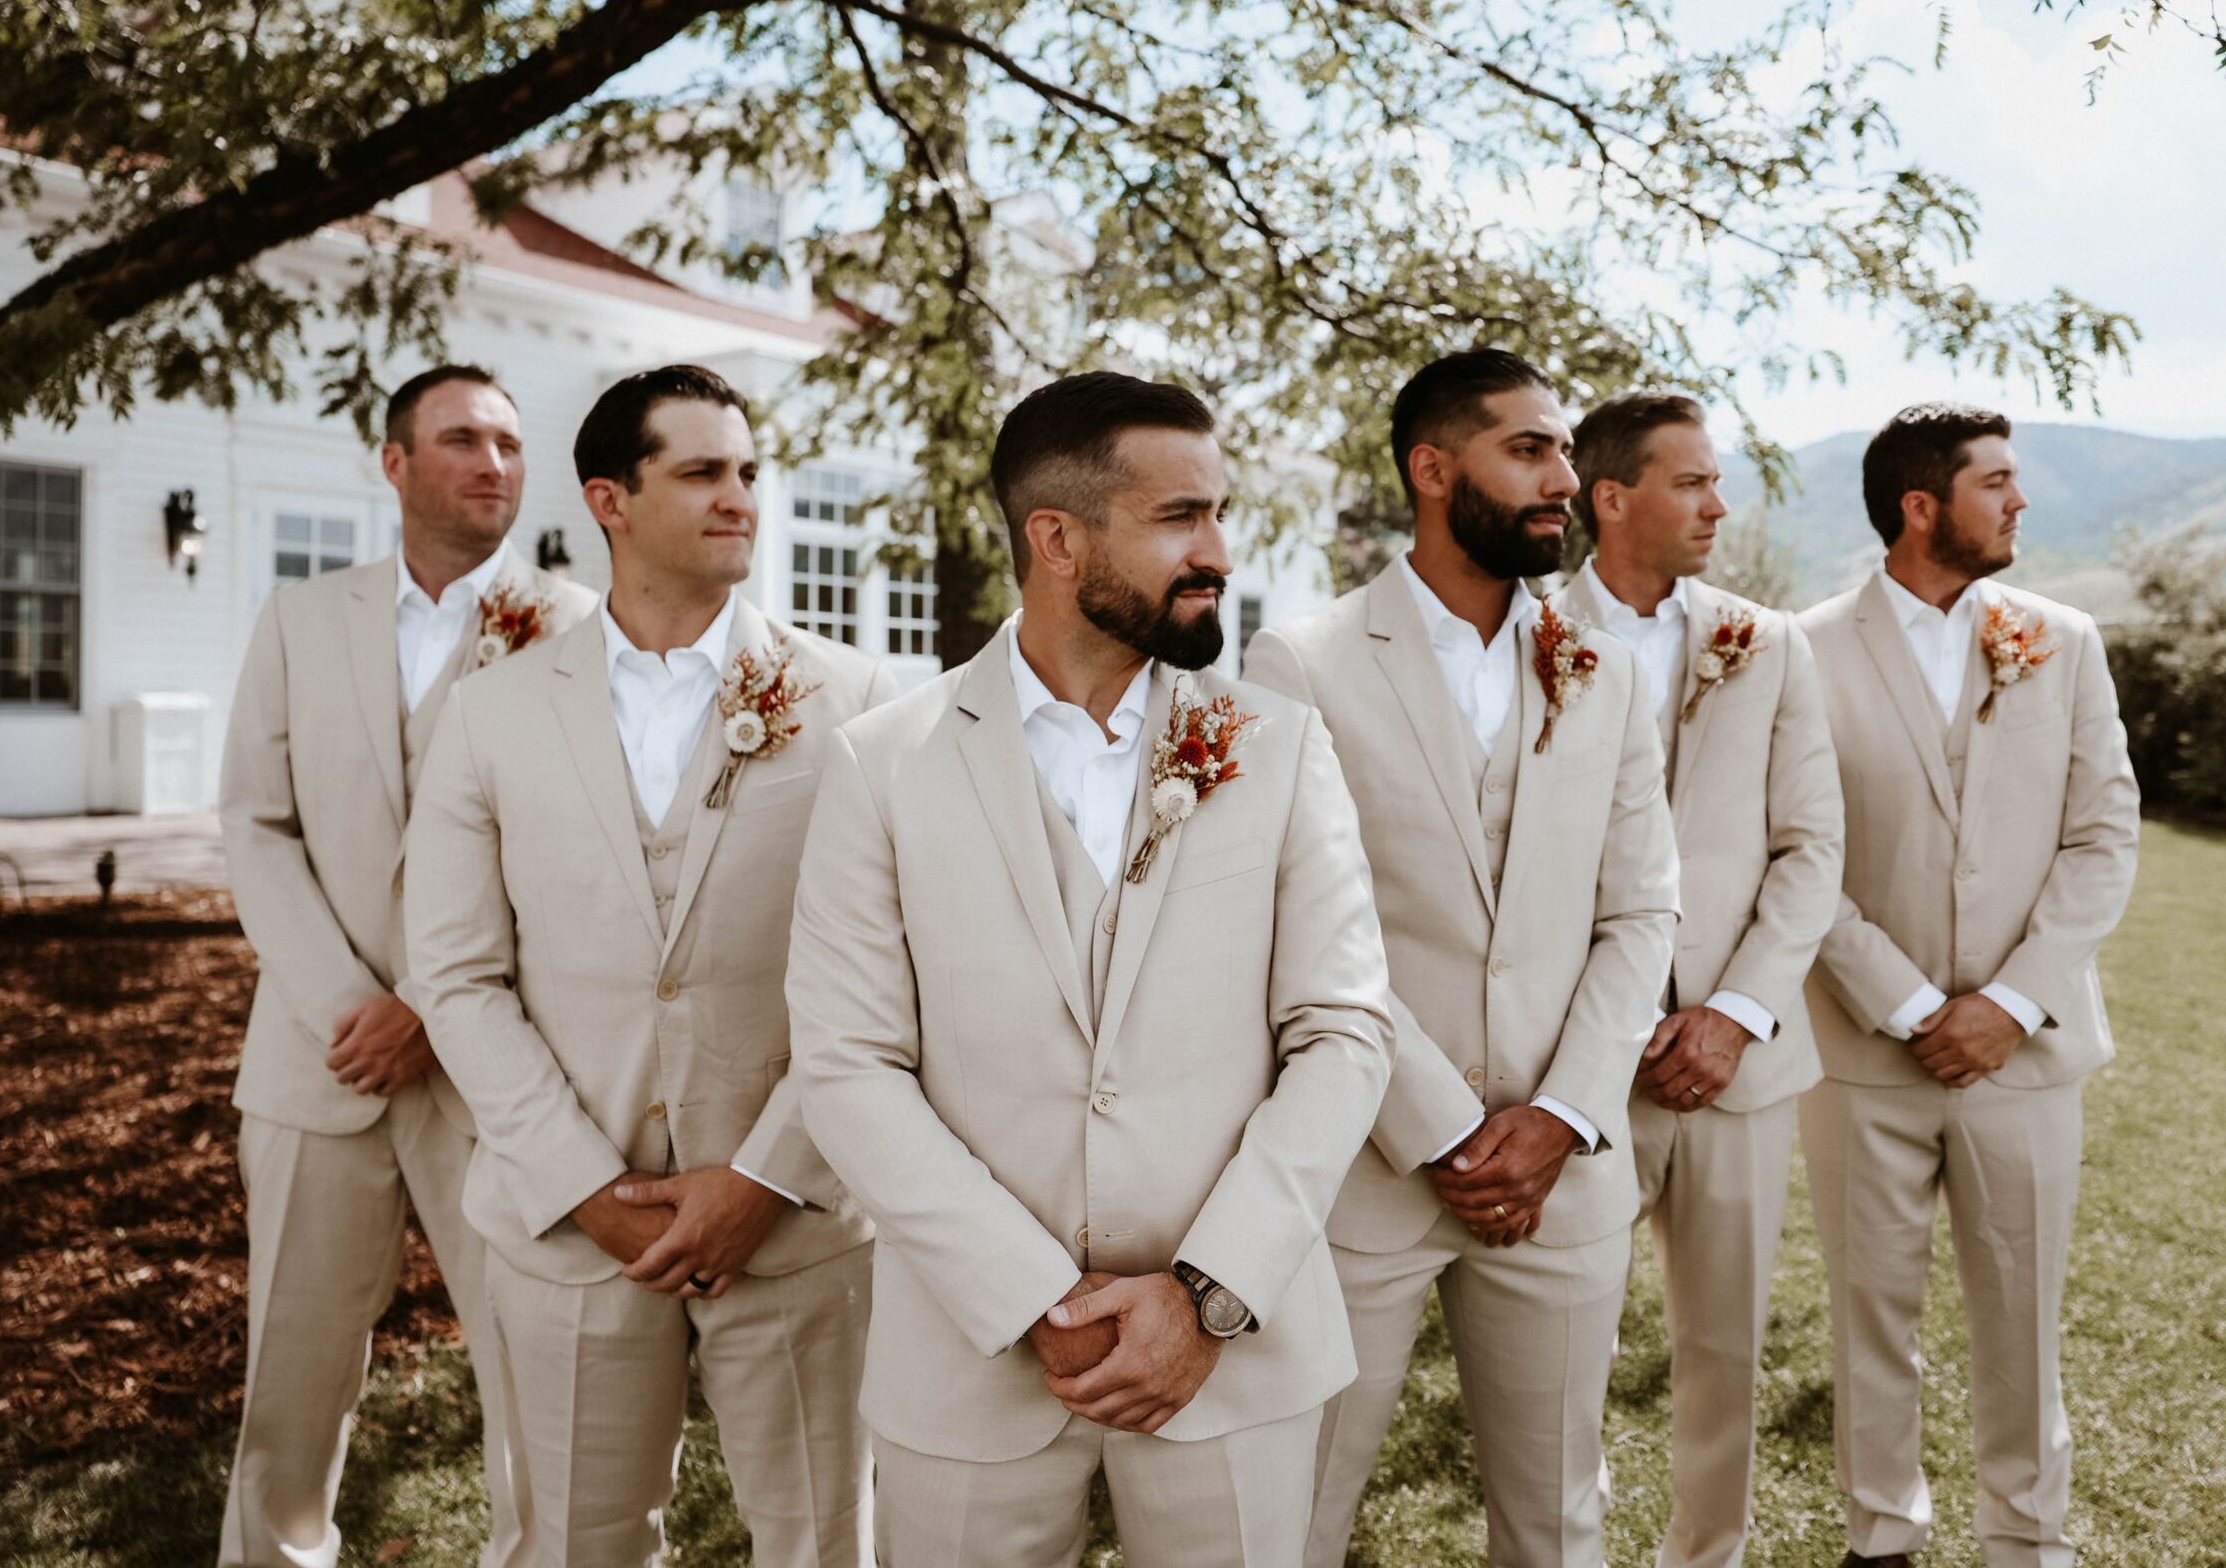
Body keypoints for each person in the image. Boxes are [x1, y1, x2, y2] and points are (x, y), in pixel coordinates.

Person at [785, 371, 1395, 1568]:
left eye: (1219, 513)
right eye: (1179, 519)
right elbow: (848, 1064)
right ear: (1055, 539)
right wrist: (1031, 1299)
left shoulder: (1279, 749)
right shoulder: (883, 764)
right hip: (971, 1362)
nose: (1216, 550)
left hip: (1235, 1351)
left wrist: (1209, 1294)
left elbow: (1342, 1031)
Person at [401, 364, 893, 1567]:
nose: (740, 499)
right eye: (702, 473)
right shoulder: (491, 713)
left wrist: (765, 1177)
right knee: (575, 1545)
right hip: (570, 1230)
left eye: (748, 474)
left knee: (828, 1545)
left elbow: (891, 976)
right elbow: (457, 976)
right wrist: (580, 1186)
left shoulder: (863, 704)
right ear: (609, 501)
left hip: (798, 1223)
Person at [1244, 348, 1680, 1568]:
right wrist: (1439, 1127)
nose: (1565, 478)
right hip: (1361, 1169)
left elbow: (1643, 913)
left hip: (1565, 1172)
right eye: (1530, 450)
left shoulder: (1606, 668)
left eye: (1565, 450)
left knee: (1556, 1524)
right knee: (1294, 1515)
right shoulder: (1302, 662)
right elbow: (1297, 932)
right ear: (1433, 470)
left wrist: (1558, 1115)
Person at [219, 363, 593, 1568]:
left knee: (535, 1373)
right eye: (462, 439)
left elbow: (581, 860)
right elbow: (255, 825)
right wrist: (352, 1007)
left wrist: (433, 1009)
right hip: (314, 1060)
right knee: (289, 1371)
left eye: (508, 442)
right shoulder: (299, 619)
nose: (493, 462)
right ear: (395, 463)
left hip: (501, 1076)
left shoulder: (581, 629)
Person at [1796, 405, 2138, 1568]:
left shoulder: (2066, 640)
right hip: (1857, 1050)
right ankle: (1880, 1538)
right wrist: (1905, 1004)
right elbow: (1795, 853)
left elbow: (2102, 839)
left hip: (2025, 1053)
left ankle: (2024, 1542)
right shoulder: (1801, 649)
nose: (2020, 501)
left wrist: (2008, 1004)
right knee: (1868, 1317)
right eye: (1996, 482)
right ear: (1920, 506)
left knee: (2022, 1320)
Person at [1556, 392, 1845, 1568]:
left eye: (1717, 482)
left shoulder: (1767, 642)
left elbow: (1811, 848)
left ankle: (1705, 1556)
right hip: (1573, 1069)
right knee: (1557, 1350)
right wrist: (1599, 1033)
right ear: (1609, 496)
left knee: (1723, 1345)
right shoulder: (1525, 637)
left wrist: (1730, 1014)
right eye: (1691, 483)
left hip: (1738, 1060)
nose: (1717, 506)